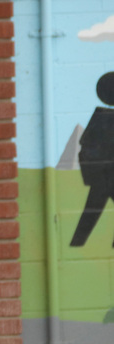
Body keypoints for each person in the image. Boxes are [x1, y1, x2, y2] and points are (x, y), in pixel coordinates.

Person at [71, 71, 114, 247]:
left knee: (90, 212)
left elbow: (85, 143)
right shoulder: (103, 117)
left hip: (101, 176)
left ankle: (76, 243)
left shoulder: (100, 117)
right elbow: (86, 144)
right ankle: (77, 243)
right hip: (104, 175)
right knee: (91, 212)